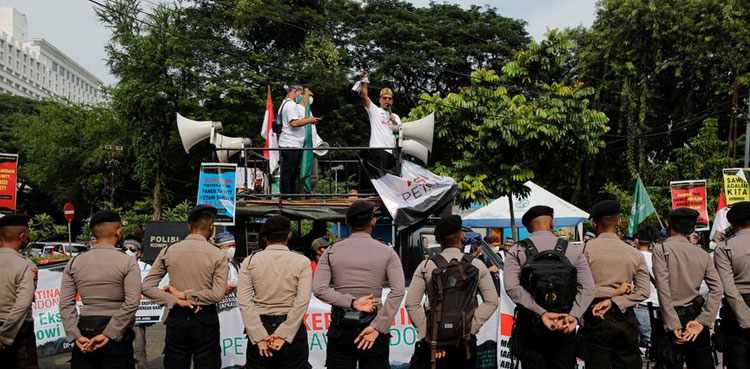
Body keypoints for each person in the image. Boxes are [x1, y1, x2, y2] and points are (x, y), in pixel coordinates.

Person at [312, 200, 406, 369]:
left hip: (341, 329)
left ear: (347, 223)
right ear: (373, 221)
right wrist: (378, 327)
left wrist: (352, 303)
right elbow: (398, 291)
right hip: (374, 327)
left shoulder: (331, 251)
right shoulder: (388, 252)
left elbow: (319, 289)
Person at [503, 205, 595, 369]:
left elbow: (511, 287)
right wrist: (574, 316)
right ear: (552, 224)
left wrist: (542, 312)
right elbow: (588, 288)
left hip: (530, 328)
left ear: (529, 227)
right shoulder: (572, 250)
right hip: (564, 326)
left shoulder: (517, 250)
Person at [405, 215, 499, 368]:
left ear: (438, 239)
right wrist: (470, 328)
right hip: (465, 343)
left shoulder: (426, 265)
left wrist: (430, 337)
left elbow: (411, 303)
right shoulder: (477, 265)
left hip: (434, 345)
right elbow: (492, 301)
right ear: (462, 237)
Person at [141, 205, 229, 369]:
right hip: (205, 319)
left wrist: (177, 299)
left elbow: (146, 286)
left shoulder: (169, 250)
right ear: (211, 227)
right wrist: (188, 296)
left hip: (177, 318)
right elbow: (217, 295)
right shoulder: (218, 254)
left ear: (189, 226)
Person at [59, 210, 141, 369]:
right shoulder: (128, 263)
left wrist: (75, 335)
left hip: (85, 328)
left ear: (93, 234)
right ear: (118, 232)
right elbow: (132, 302)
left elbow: (65, 304)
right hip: (118, 331)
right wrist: (109, 333)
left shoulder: (74, 262)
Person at [652, 208, 723, 369]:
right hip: (695, 316)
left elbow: (664, 290)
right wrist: (703, 321)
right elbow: (718, 288)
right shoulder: (703, 255)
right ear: (692, 229)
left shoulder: (661, 249)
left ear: (669, 225)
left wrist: (673, 325)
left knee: (669, 363)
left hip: (670, 316)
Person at [238, 215, 313, 369]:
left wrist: (259, 337)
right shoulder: (302, 261)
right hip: (292, 329)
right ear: (289, 235)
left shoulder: (250, 261)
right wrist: (284, 334)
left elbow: (244, 302)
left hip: (260, 326)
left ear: (264, 237)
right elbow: (302, 301)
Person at [582, 200, 650, 369]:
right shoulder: (634, 254)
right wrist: (616, 297)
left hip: (595, 316)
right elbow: (643, 292)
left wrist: (607, 297)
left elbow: (578, 288)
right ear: (619, 222)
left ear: (595, 224)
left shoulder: (584, 251)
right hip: (625, 318)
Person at [714, 201, 750, 368]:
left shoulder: (724, 248)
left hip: (737, 311)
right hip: (738, 309)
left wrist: (745, 318)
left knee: (738, 360)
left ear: (733, 224)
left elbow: (728, 288)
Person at [0, 214, 38, 369]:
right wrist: (3, 336)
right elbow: (22, 305)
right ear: (22, 236)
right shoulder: (25, 266)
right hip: (18, 331)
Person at [278, 84, 322, 195]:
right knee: (289, 171)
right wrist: (309, 120)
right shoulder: (291, 105)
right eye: (301, 93)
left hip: (293, 143)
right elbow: (294, 123)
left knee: (292, 171)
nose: (301, 96)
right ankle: (286, 195)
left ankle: (289, 194)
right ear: (296, 91)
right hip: (290, 143)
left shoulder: (285, 104)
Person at [358, 71, 400, 171]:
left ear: (392, 101)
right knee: (379, 179)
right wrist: (363, 81)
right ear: (380, 100)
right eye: (384, 98)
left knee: (391, 181)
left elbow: (398, 135)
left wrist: (394, 123)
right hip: (377, 150)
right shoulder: (375, 111)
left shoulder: (396, 117)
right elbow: (365, 97)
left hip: (391, 152)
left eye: (389, 98)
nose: (387, 100)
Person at [122, 238, 152, 369]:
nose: (128, 251)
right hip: (119, 314)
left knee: (138, 348)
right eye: (125, 249)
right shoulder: (116, 265)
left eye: (132, 249)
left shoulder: (147, 268)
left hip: (139, 315)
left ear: (139, 253)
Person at [634, 233, 658, 350]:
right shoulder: (657, 258)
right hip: (659, 306)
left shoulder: (633, 257)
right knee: (656, 345)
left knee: (642, 347)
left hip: (641, 305)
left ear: (637, 242)